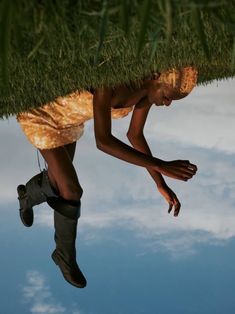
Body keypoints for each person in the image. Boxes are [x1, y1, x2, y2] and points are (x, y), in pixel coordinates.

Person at [16, 66, 198, 288]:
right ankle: (63, 256)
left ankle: (26, 197)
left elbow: (135, 135)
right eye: (168, 96)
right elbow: (103, 140)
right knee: (71, 190)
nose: (168, 104)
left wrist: (160, 182)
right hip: (44, 115)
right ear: (155, 77)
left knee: (57, 183)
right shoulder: (111, 82)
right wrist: (160, 164)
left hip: (69, 122)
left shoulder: (145, 96)